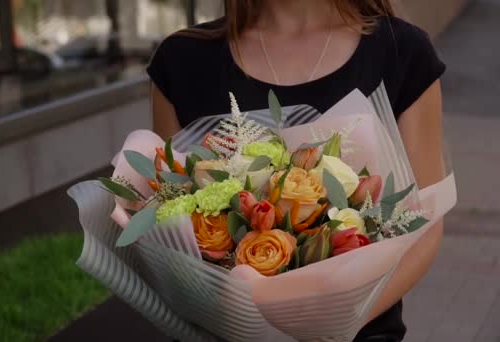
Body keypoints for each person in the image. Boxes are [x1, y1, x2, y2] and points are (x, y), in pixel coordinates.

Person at [147, 1, 445, 341]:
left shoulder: (400, 52)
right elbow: (167, 228)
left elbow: (425, 228)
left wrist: (330, 327)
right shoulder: (183, 60)